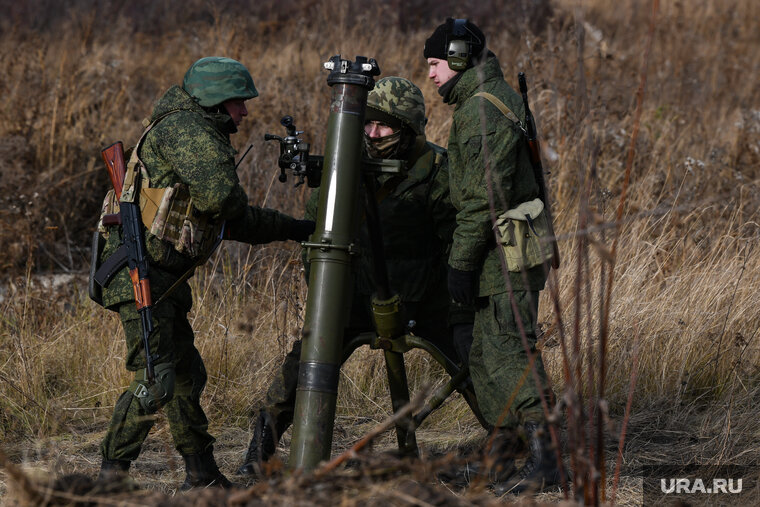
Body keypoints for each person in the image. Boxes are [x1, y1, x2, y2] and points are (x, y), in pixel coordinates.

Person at [238, 76, 486, 476]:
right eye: (366, 124)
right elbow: (317, 238)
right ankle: (258, 452)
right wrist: (326, 300)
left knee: (476, 364)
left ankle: (512, 443)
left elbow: (458, 237)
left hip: (426, 296)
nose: (372, 134)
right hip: (355, 295)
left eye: (383, 126)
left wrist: (458, 294)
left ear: (409, 128)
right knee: (301, 366)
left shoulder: (438, 170)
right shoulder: (343, 170)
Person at [95, 56, 315, 490]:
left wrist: (294, 229)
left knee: (184, 375)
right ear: (216, 101)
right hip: (140, 274)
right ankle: (108, 478)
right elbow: (221, 201)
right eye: (238, 103)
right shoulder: (189, 131)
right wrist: (238, 203)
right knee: (156, 380)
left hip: (161, 277)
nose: (245, 113)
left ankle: (201, 475)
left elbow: (234, 221)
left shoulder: (193, 129)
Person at [424, 18, 562, 494]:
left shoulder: (481, 110)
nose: (431, 74)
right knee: (484, 358)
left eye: (436, 63)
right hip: (494, 254)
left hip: (501, 256)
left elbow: (484, 196)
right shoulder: (480, 103)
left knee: (509, 357)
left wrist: (459, 262)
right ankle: (502, 459)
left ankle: (549, 463)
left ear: (460, 58)